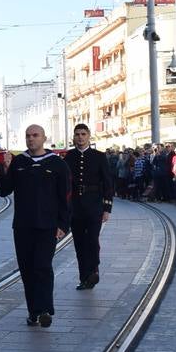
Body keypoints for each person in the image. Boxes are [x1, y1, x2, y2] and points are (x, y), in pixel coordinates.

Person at [0, 123, 71, 327]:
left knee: (42, 266)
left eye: (35, 135)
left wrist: (63, 225)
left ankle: (45, 309)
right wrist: (4, 167)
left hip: (48, 225)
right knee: (27, 269)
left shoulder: (57, 163)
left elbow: (65, 197)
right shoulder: (20, 162)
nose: (31, 139)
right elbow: (3, 191)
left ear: (44, 138)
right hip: (22, 226)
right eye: (28, 135)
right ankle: (33, 311)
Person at [64, 123, 114, 290]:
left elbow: (108, 183)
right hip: (75, 206)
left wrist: (107, 208)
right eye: (77, 134)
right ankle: (84, 277)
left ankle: (93, 270)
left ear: (89, 136)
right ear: (73, 137)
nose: (80, 137)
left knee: (92, 239)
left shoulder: (99, 156)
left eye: (83, 134)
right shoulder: (68, 157)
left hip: (94, 205)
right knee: (79, 243)